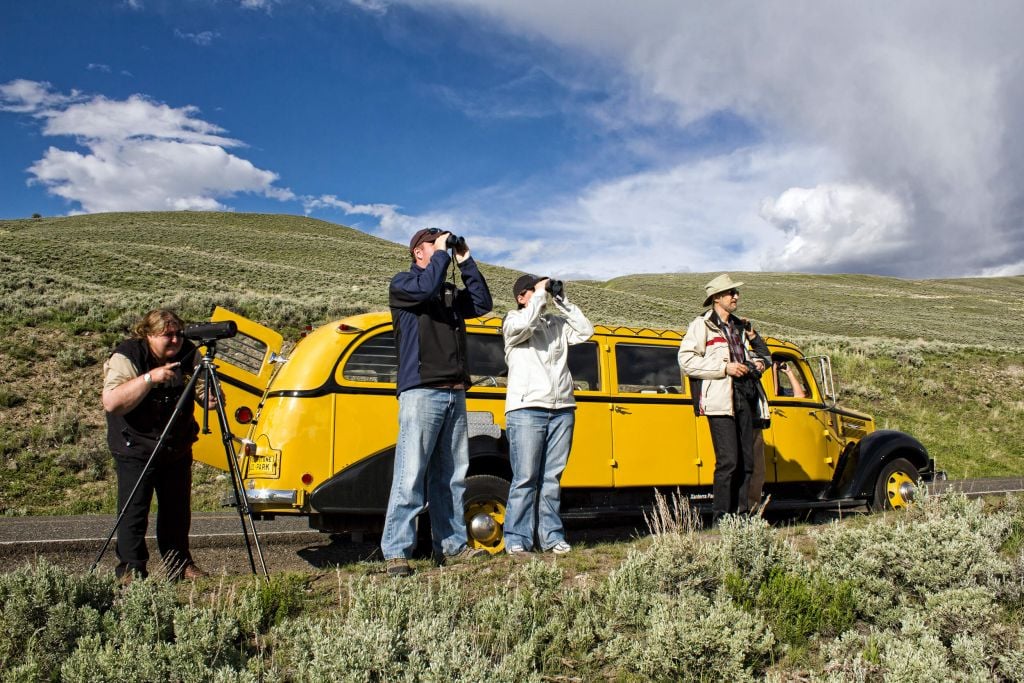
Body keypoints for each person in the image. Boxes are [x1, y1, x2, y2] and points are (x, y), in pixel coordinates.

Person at [381, 228, 494, 577]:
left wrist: (465, 259)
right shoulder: (404, 285)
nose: (442, 248)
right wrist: (443, 256)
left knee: (452, 475)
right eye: (435, 244)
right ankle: (397, 551)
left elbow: (482, 303)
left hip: (454, 389)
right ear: (418, 252)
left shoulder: (445, 290)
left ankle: (452, 546)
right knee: (411, 471)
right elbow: (426, 287)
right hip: (421, 389)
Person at [102, 309, 209, 582]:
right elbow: (113, 402)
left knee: (177, 512)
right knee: (134, 512)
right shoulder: (128, 356)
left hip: (175, 446)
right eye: (167, 336)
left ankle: (179, 566)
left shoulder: (188, 352)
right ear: (148, 335)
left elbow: (203, 394)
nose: (174, 341)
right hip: (134, 446)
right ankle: (131, 570)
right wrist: (151, 378)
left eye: (178, 334)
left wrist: (210, 393)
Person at [502, 275, 594, 555]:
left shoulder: (555, 324)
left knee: (551, 478)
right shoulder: (511, 321)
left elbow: (585, 331)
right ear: (522, 297)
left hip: (562, 408)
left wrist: (562, 300)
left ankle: (552, 537)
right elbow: (524, 325)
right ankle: (517, 538)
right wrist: (540, 295)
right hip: (527, 407)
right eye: (534, 290)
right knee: (526, 477)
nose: (541, 294)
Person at [678, 274, 770, 522]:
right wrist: (724, 368)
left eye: (736, 293)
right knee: (728, 461)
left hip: (745, 395)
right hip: (720, 399)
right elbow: (686, 361)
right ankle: (721, 518)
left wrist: (756, 363)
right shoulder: (701, 325)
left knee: (747, 462)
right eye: (731, 293)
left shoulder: (740, 327)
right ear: (717, 298)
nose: (736, 296)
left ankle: (742, 516)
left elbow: (760, 355)